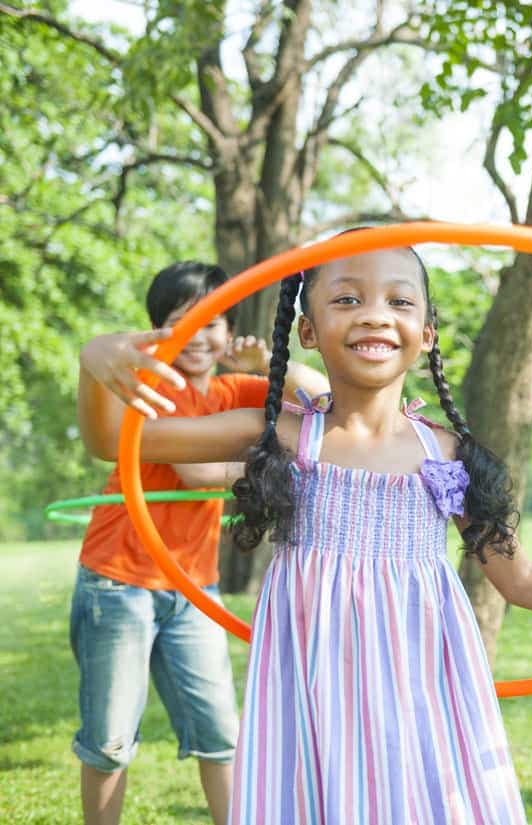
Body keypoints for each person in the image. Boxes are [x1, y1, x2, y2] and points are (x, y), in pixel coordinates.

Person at [81, 245, 532, 825]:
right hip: (315, 697)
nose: (373, 315)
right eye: (346, 299)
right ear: (307, 330)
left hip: (419, 701)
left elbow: (524, 579)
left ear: (427, 331)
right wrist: (93, 361)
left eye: (398, 300)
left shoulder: (446, 454)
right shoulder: (276, 434)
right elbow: (112, 440)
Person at [72, 260, 327, 825]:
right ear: (155, 333)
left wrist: (272, 366)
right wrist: (271, 468)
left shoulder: (237, 390)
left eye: (210, 321)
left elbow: (325, 399)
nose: (196, 335)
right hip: (118, 580)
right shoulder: (151, 389)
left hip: (192, 586)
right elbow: (198, 474)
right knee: (110, 739)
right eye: (179, 321)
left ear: (229, 330)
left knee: (221, 734)